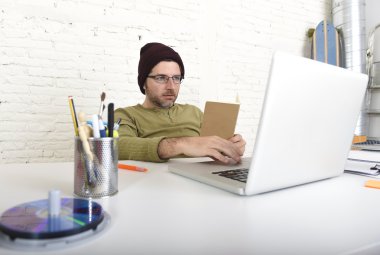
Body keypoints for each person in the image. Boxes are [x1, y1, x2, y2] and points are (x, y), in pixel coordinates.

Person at [114, 42, 246, 164]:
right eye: (161, 78)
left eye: (176, 78)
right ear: (143, 82)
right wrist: (180, 144)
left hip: (202, 178)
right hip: (157, 182)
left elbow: (215, 149)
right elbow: (117, 146)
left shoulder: (194, 112)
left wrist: (231, 146)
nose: (171, 86)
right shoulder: (125, 115)